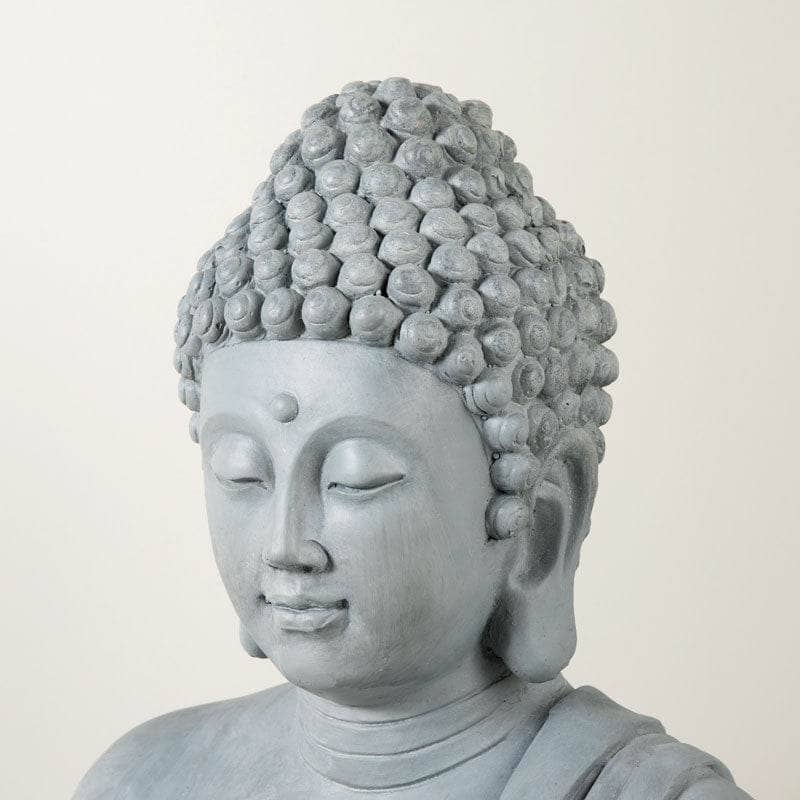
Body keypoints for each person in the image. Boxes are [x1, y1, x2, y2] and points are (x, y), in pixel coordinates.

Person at [74, 77, 753, 799]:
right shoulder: (142, 778)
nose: (285, 544)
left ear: (538, 528)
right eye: (242, 474)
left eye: (355, 479)